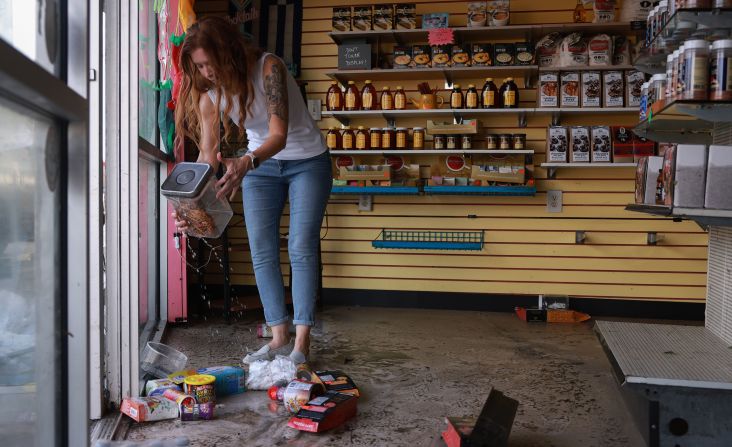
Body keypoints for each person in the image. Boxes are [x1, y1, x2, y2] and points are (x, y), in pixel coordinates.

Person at [172, 17, 331, 365]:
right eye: (198, 65)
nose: (206, 72)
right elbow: (206, 154)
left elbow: (279, 135)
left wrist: (246, 161)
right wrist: (190, 206)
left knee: (301, 245)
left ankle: (302, 343)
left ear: (228, 52)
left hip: (307, 161)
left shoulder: (267, 67)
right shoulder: (209, 94)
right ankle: (278, 337)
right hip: (260, 167)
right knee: (261, 249)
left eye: (210, 63)